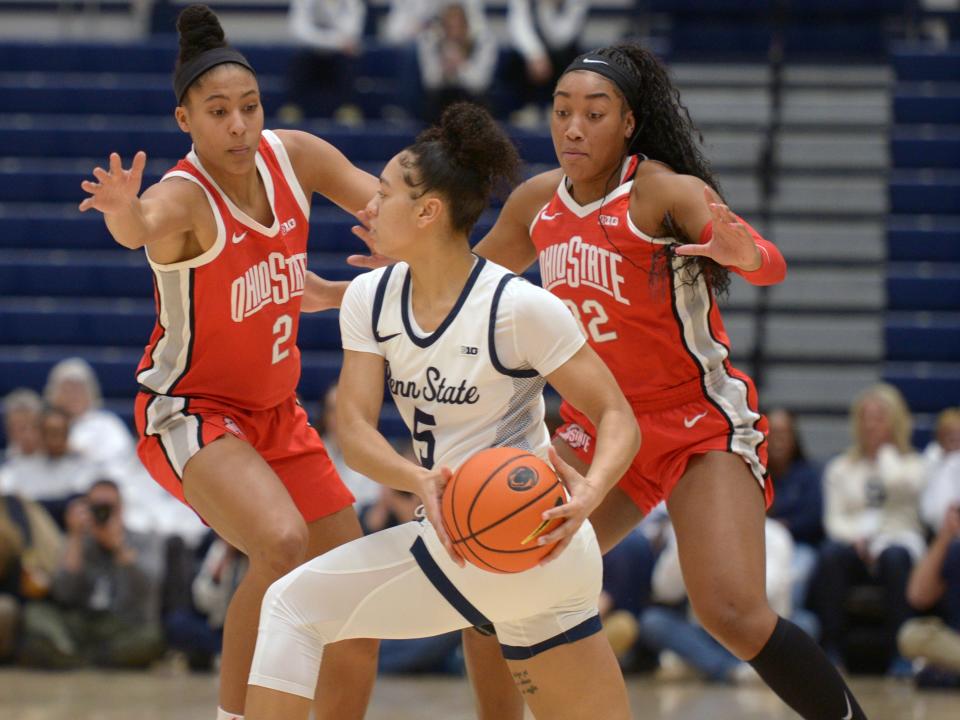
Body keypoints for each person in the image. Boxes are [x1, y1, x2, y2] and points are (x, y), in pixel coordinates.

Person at [342, 43, 870, 720]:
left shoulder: (662, 193)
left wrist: (748, 253)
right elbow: (459, 283)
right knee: (487, 570)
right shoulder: (539, 202)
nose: (573, 128)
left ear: (627, 122)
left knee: (732, 612)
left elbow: (769, 264)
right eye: (563, 112)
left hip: (694, 421)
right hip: (599, 428)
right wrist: (348, 294)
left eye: (594, 114)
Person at [244, 102, 640, 720]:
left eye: (383, 194)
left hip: (508, 534)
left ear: (428, 211)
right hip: (517, 551)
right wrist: (417, 479)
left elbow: (618, 415)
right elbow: (352, 429)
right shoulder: (370, 300)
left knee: (291, 607)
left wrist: (588, 495)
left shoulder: (518, 307)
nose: (367, 207)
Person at [77, 5, 378, 718]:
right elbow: (140, 227)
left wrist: (409, 234)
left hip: (278, 415)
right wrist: (124, 209)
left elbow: (374, 209)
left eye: (249, 107)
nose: (239, 124)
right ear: (186, 120)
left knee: (356, 600)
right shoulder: (182, 198)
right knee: (279, 542)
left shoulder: (294, 156)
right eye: (218, 112)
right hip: (191, 413)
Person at [812, 383, 926, 674]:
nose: (871, 424)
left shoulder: (913, 463)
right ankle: (832, 651)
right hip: (855, 545)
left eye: (879, 417)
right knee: (830, 555)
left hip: (899, 542)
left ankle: (901, 655)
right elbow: (833, 520)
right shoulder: (841, 467)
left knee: (895, 558)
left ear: (896, 421)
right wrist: (858, 540)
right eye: (865, 417)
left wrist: (886, 453)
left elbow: (901, 487)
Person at [19, 479, 166, 669]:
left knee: (152, 636)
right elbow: (63, 593)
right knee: (36, 612)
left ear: (121, 510)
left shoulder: (144, 540)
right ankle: (76, 654)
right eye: (96, 507)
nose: (102, 514)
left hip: (122, 625)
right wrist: (75, 538)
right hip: (82, 623)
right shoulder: (77, 540)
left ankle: (75, 657)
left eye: (109, 508)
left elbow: (148, 592)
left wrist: (118, 548)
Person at [899, 503, 960, 686]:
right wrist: (946, 533)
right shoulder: (955, 549)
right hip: (955, 644)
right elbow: (918, 596)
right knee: (911, 635)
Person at [417, 1, 498, 124]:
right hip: (440, 103)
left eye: (458, 27)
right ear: (443, 28)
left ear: (466, 26)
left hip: (472, 102)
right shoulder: (431, 42)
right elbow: (430, 82)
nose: (454, 33)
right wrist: (444, 69)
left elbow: (479, 84)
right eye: (449, 27)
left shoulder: (483, 43)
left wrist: (460, 65)